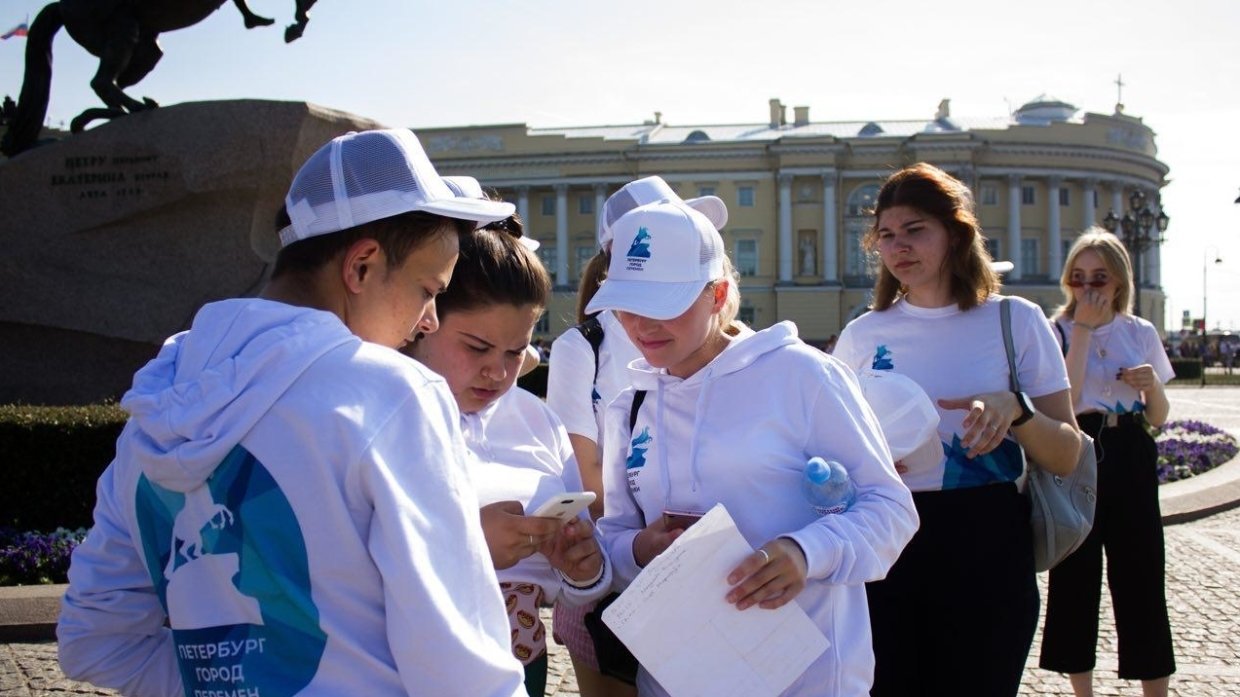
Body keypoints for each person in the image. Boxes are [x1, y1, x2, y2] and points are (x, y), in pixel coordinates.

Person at [56, 129, 530, 696]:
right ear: (361, 266)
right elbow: (460, 667)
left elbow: (95, 640)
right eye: (429, 289)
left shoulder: (158, 402)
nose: (428, 319)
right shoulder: (394, 393)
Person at [589, 198, 918, 697]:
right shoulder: (629, 407)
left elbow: (891, 508)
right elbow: (615, 536)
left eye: (665, 304)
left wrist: (805, 552)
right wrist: (640, 547)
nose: (642, 325)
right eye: (628, 306)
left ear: (717, 294)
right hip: (675, 678)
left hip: (807, 679)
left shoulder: (804, 375)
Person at [833, 162, 1082, 697]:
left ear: (957, 232)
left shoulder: (1016, 320)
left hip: (988, 541)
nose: (899, 246)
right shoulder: (861, 335)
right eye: (887, 235)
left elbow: (1067, 455)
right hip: (889, 538)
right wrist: (859, 468)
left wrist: (1017, 410)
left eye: (916, 229)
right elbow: (832, 455)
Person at [402, 180, 613, 697]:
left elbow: (576, 578)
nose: (497, 373)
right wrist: (472, 544)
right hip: (419, 666)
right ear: (424, 320)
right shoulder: (390, 415)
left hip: (525, 661)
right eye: (477, 347)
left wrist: (581, 568)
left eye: (516, 352)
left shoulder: (535, 419)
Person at [544, 175, 725, 697]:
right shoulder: (585, 346)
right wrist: (645, 538)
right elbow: (585, 480)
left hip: (708, 573)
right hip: (619, 579)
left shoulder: (725, 343)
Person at [1039, 228, 1175, 697]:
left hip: (1130, 449)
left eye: (1099, 277)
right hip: (1078, 448)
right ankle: (1083, 692)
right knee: (1075, 577)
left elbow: (1157, 418)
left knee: (1141, 574)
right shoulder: (1054, 330)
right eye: (1078, 279)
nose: (1088, 288)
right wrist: (1080, 329)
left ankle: (1155, 689)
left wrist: (1152, 386)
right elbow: (1068, 401)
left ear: (1119, 281)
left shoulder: (1139, 331)